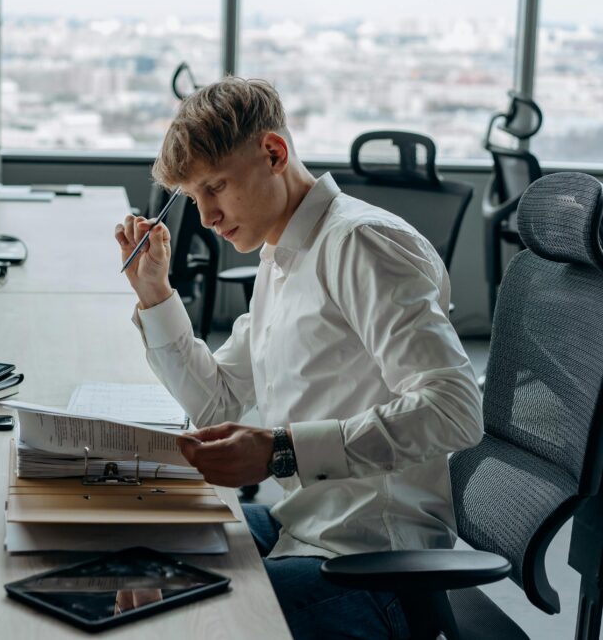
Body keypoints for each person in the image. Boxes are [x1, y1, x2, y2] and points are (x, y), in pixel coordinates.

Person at [114, 77, 483, 639]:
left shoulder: (362, 244)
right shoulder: (281, 256)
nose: (208, 217)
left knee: (174, 621)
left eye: (217, 187)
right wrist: (156, 297)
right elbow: (218, 402)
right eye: (195, 199)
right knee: (132, 555)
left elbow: (454, 409)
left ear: (273, 153)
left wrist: (282, 450)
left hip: (374, 565)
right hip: (306, 529)